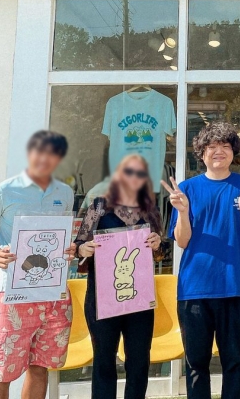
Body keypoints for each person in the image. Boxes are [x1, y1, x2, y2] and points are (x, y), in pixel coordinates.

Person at [163, 122, 240, 399]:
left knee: (234, 362)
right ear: (202, 153)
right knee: (196, 364)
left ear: (233, 151)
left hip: (235, 286)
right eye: (212, 147)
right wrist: (183, 213)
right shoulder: (187, 189)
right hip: (194, 289)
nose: (219, 151)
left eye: (225, 146)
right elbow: (182, 241)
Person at [0, 131, 76, 399]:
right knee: (2, 371)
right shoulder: (3, 191)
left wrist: (69, 250)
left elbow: (60, 239)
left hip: (54, 293)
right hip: (15, 294)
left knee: (40, 367)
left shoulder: (65, 192)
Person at [74, 154, 163, 399]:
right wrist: (84, 249)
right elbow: (78, 246)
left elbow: (161, 251)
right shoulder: (98, 207)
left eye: (139, 173)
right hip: (102, 300)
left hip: (139, 300)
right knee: (103, 362)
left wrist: (158, 245)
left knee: (139, 362)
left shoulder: (150, 211)